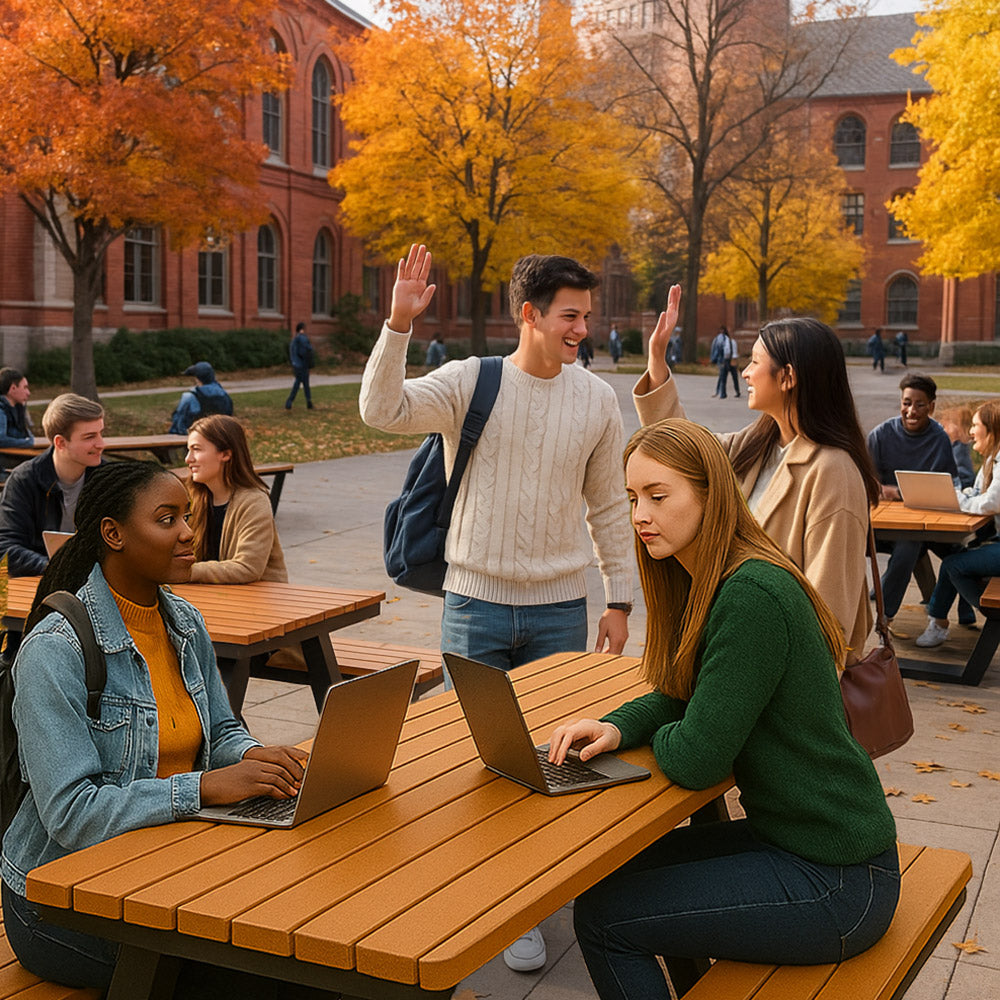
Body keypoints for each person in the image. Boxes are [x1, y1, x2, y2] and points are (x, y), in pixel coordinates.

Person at [547, 419, 898, 1000]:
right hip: (800, 843)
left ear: (711, 495)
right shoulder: (714, 577)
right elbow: (684, 691)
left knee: (605, 918)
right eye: (633, 498)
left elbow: (698, 758)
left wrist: (677, 733)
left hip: (839, 880)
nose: (640, 515)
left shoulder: (750, 594)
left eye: (659, 497)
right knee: (618, 871)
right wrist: (616, 726)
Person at [360, 244, 633, 973]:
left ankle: (532, 897)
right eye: (570, 316)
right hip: (473, 604)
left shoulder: (598, 400)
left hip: (558, 611)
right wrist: (398, 324)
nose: (583, 328)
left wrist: (621, 599)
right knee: (469, 755)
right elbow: (380, 410)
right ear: (530, 315)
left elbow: (610, 504)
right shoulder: (469, 382)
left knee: (549, 757)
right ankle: (475, 889)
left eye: (586, 316)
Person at [0, 461, 306, 993]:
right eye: (167, 519)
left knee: (307, 934)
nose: (188, 533)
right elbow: (72, 815)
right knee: (265, 973)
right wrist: (203, 786)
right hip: (58, 902)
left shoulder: (184, 621)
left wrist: (255, 758)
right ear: (113, 534)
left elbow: (220, 731)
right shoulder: (56, 651)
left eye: (186, 516)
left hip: (165, 869)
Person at [638, 287, 879, 665]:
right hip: (735, 650)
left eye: (754, 362)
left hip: (776, 674)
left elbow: (830, 616)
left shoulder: (833, 472)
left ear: (788, 377)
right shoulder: (758, 442)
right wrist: (657, 360)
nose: (745, 372)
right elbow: (683, 454)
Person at [866, 373, 964, 631]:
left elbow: (948, 484)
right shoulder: (880, 435)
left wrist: (904, 494)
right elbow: (863, 480)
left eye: (919, 405)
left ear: (931, 406)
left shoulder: (939, 438)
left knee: (921, 546)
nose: (911, 410)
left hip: (923, 524)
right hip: (879, 524)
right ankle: (879, 613)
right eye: (906, 402)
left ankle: (887, 617)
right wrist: (881, 490)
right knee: (908, 545)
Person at [916, 401, 1000, 647]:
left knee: (954, 564)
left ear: (991, 429)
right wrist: (958, 495)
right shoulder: (991, 460)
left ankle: (989, 615)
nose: (971, 431)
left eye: (976, 426)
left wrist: (956, 500)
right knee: (955, 558)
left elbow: (990, 503)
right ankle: (939, 622)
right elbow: (977, 495)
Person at [0, 393, 105, 576]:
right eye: (90, 437)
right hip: (39, 584)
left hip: (99, 582)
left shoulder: (108, 478)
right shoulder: (24, 481)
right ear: (60, 442)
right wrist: (51, 567)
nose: (101, 444)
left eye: (101, 433)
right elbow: (5, 548)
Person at [185, 414, 287, 583]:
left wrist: (185, 572)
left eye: (196, 449)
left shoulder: (253, 502)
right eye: (188, 450)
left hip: (259, 601)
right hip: (214, 596)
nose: (188, 459)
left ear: (225, 454)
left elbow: (248, 568)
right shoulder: (193, 498)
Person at [168, 361, 233, 435]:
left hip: (196, 436)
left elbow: (179, 422)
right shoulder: (224, 395)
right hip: (219, 435)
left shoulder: (190, 396)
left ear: (197, 378)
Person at [937, 404, 976, 489]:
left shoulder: (960, 448)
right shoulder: (954, 446)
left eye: (945, 425)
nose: (943, 429)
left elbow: (967, 478)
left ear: (959, 428)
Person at [0, 367, 34, 448]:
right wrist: (29, 443)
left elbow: (26, 435)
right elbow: (1, 440)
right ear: (13, 388)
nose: (28, 393)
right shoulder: (1, 410)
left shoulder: (19, 408)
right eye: (25, 387)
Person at [285, 322, 315, 410]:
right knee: (302, 383)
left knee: (300, 382)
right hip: (303, 364)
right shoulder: (303, 339)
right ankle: (290, 401)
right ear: (303, 329)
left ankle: (308, 402)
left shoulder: (294, 340)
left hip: (296, 364)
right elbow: (306, 351)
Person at [709, 326, 738, 399]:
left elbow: (729, 351)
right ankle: (721, 393)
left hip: (728, 360)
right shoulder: (723, 340)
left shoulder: (729, 341)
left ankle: (735, 391)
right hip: (725, 360)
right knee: (723, 377)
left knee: (731, 377)